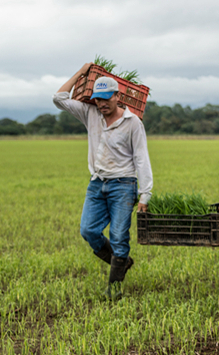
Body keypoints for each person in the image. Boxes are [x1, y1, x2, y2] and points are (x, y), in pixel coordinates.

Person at [53, 63, 153, 300]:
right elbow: (58, 98)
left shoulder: (132, 123)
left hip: (124, 185)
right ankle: (122, 263)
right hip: (97, 183)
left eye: (106, 99)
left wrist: (145, 194)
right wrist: (82, 71)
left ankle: (114, 289)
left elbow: (141, 158)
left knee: (119, 236)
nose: (102, 104)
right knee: (88, 230)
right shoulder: (90, 113)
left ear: (118, 96)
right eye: (98, 99)